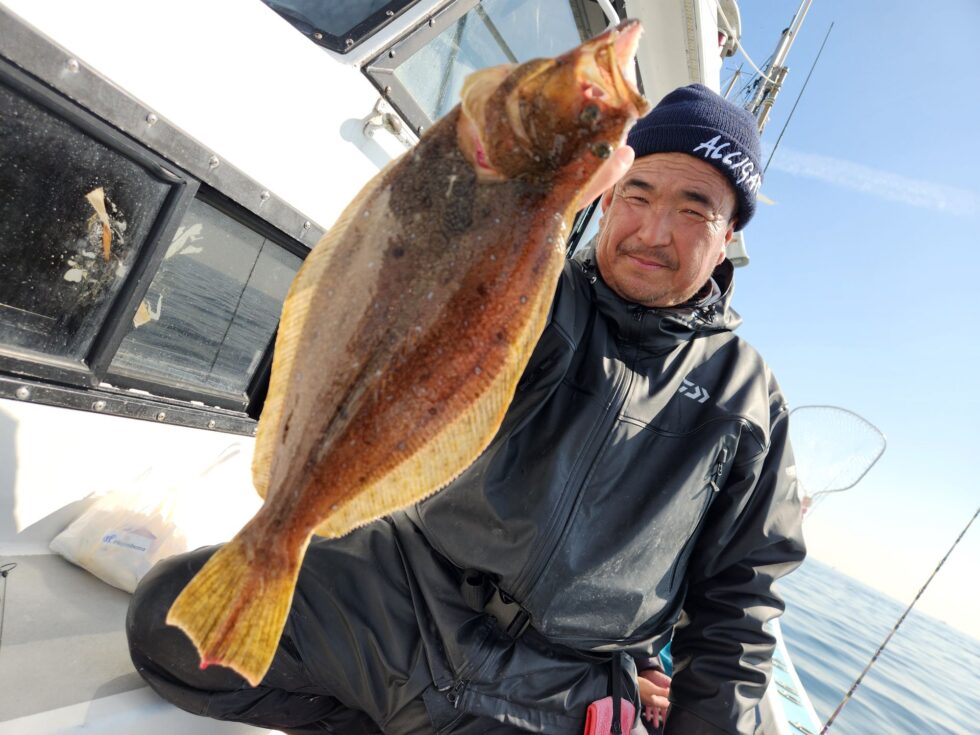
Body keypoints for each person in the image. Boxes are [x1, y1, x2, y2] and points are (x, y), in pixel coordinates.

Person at [126, 84, 805, 735]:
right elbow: (384, 306)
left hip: (558, 683)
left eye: (695, 210)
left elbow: (738, 608)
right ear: (607, 193)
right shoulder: (535, 284)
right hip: (404, 589)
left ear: (729, 236)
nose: (654, 231)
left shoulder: (748, 399)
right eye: (638, 193)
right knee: (170, 629)